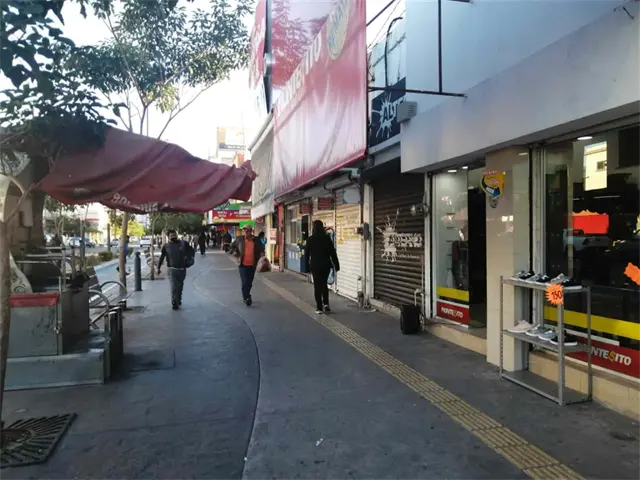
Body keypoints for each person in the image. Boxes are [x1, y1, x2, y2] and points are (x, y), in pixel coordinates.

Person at [304, 220, 340, 314]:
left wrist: (306, 267)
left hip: (315, 265)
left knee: (317, 286)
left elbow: (306, 255)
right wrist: (336, 265)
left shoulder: (310, 239)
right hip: (325, 265)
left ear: (313, 228)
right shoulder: (326, 238)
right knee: (324, 284)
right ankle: (326, 304)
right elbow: (332, 253)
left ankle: (319, 307)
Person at [157, 229, 195, 310]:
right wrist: (158, 268)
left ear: (177, 235)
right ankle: (174, 302)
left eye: (174, 235)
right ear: (168, 237)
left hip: (182, 269)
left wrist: (190, 259)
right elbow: (162, 257)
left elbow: (191, 251)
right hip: (172, 269)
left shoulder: (183, 243)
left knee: (180, 285)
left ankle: (178, 299)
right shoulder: (166, 246)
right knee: (174, 286)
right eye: (171, 235)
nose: (173, 236)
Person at [230, 225, 265, 306]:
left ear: (251, 231)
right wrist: (235, 253)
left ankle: (246, 295)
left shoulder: (256, 240)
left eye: (248, 230)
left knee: (249, 283)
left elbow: (261, 249)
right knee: (245, 282)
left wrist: (262, 253)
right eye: (245, 230)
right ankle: (246, 297)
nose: (246, 232)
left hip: (252, 265)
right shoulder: (239, 239)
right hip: (242, 265)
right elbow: (231, 247)